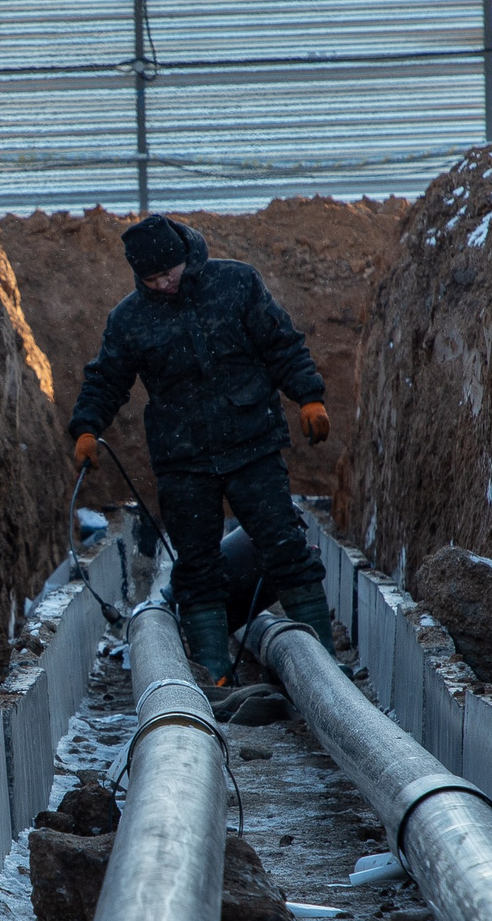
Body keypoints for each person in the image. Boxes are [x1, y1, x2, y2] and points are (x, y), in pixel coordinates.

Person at [68, 214, 337, 684]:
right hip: (183, 458)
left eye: (168, 272)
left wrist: (309, 396)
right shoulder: (130, 319)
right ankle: (215, 673)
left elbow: (281, 345)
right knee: (196, 567)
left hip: (252, 443)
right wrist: (87, 428)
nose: (164, 283)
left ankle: (326, 669)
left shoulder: (236, 284)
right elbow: (106, 379)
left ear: (184, 257)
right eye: (152, 278)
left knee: (285, 547)